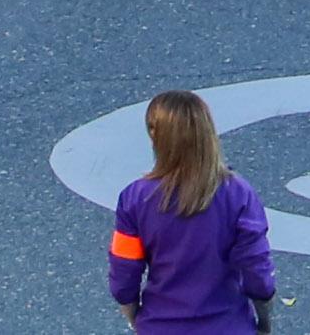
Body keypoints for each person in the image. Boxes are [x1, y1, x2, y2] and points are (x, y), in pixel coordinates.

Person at [105, 90, 276, 335]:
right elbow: (256, 270)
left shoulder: (134, 198)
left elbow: (124, 275)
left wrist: (136, 318)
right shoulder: (238, 193)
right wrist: (264, 321)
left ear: (155, 135)